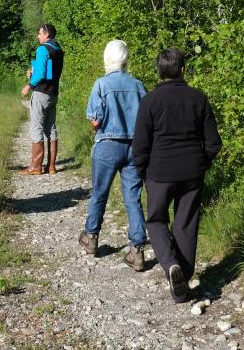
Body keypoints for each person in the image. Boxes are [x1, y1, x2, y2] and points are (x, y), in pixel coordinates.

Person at [133, 48, 222, 303]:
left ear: (159, 72)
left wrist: (141, 173)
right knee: (186, 224)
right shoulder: (199, 98)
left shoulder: (149, 101)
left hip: (159, 172)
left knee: (156, 220)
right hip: (192, 172)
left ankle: (171, 265)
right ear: (183, 70)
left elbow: (140, 144)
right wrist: (201, 164)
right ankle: (183, 280)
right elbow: (214, 143)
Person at [78, 40, 147, 270]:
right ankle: (137, 251)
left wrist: (98, 125)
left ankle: (91, 237)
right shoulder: (139, 86)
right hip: (135, 147)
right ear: (125, 59)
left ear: (107, 58)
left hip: (108, 144)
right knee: (132, 198)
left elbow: (95, 121)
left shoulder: (101, 84)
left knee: (99, 193)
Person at [20, 24, 64, 175]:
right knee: (51, 128)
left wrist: (29, 85)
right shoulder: (58, 50)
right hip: (53, 94)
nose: (38, 36)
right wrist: (34, 72)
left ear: (46, 34)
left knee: (36, 127)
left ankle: (36, 167)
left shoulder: (42, 49)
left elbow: (41, 75)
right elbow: (48, 72)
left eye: (39, 33)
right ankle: (51, 166)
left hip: (41, 93)